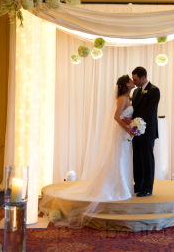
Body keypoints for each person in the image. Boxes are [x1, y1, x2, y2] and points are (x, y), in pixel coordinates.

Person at [39, 75, 136, 226]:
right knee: (119, 158)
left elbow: (124, 116)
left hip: (125, 134)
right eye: (130, 80)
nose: (133, 82)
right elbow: (116, 117)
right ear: (126, 84)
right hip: (121, 133)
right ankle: (117, 186)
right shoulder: (122, 98)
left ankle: (122, 184)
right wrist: (127, 129)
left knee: (124, 158)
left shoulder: (128, 98)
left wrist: (131, 125)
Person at [123, 67, 160, 197]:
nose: (134, 82)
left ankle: (148, 188)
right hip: (136, 131)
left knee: (147, 160)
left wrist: (132, 119)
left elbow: (150, 111)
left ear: (143, 78)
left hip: (148, 131)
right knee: (137, 160)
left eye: (136, 79)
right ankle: (138, 184)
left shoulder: (154, 90)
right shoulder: (137, 92)